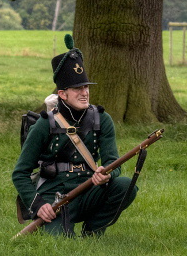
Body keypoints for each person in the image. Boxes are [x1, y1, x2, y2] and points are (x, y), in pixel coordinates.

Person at [12, 35, 137, 237]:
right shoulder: (45, 124)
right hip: (55, 197)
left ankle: (93, 231)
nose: (84, 93)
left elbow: (114, 162)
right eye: (77, 88)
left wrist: (107, 174)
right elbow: (20, 173)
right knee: (60, 243)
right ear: (62, 94)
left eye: (86, 87)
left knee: (124, 185)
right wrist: (38, 204)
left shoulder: (102, 120)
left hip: (88, 191)